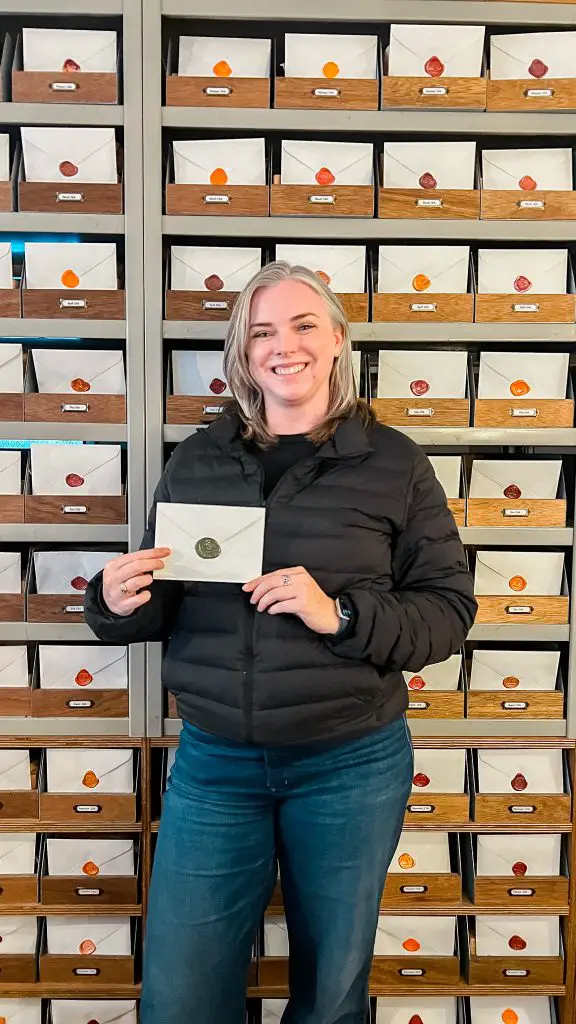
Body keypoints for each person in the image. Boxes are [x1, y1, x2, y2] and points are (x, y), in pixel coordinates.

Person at [85, 261, 477, 1024]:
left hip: (350, 762)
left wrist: (340, 615)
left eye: (303, 325)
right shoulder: (200, 458)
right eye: (261, 331)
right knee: (182, 997)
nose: (282, 345)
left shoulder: (394, 463)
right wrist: (112, 601)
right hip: (215, 761)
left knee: (331, 997)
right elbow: (160, 604)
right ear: (243, 353)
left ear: (336, 340)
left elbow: (449, 610)